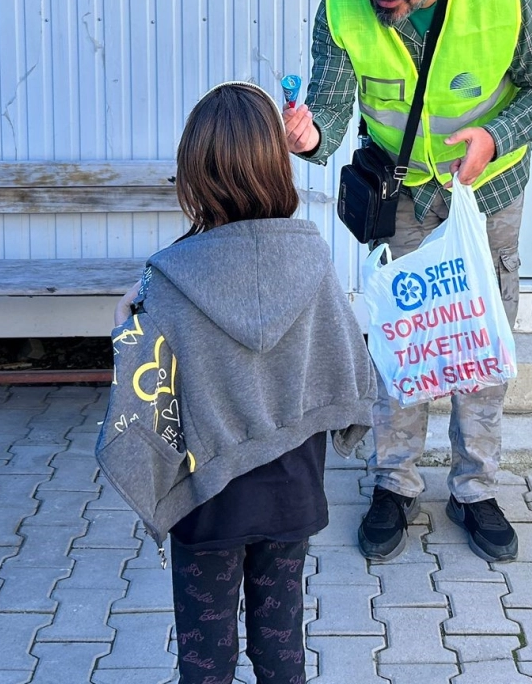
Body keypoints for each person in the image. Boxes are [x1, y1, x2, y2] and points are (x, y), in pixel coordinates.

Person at [283, 0, 532, 564]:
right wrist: (306, 137)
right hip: (402, 197)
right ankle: (394, 482)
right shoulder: (342, 2)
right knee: (400, 344)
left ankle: (474, 489)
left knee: (477, 344)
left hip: (487, 196)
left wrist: (495, 136)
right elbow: (328, 107)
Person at [96, 82, 376, 684]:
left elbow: (142, 387)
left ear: (193, 174)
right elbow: (345, 358)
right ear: (277, 168)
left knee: (205, 655)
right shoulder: (313, 259)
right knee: (282, 649)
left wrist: (124, 323)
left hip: (208, 497)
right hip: (291, 491)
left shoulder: (168, 277)